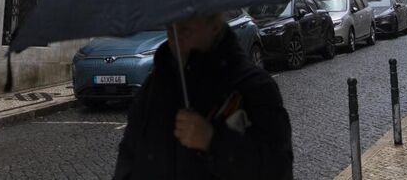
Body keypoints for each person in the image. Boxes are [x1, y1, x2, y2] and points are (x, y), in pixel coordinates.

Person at [113, 11, 293, 179]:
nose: (175, 38)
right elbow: (129, 152)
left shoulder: (253, 87)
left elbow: (277, 167)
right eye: (170, 29)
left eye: (185, 29)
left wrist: (213, 141)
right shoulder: (154, 87)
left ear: (214, 26)